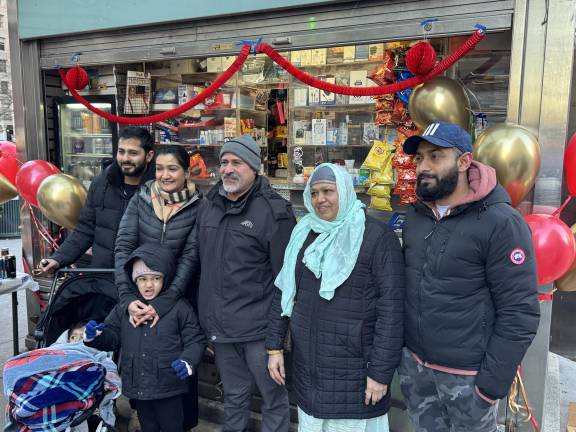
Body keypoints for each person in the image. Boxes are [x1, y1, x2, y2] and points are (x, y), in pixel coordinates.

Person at [399, 121, 540, 432]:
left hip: (467, 380)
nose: (423, 166)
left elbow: (520, 312)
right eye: (419, 158)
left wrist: (489, 386)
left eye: (436, 157)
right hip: (416, 372)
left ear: (464, 162)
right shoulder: (416, 217)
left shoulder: (500, 222)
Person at [267, 163, 404, 432]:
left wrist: (380, 373)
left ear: (344, 191)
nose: (320, 199)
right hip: (310, 372)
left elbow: (392, 310)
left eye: (328, 191)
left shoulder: (377, 238)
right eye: (314, 193)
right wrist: (274, 347)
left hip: (355, 376)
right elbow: (284, 290)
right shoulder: (303, 233)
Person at [196, 135, 295, 432]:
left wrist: (277, 337)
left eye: (236, 162)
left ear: (254, 168)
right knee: (235, 396)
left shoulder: (275, 212)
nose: (227, 169)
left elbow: (286, 279)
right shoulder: (209, 205)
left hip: (259, 331)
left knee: (273, 397)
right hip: (221, 328)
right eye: (224, 162)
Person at [114, 144, 203, 429]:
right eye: (160, 169)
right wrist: (128, 297)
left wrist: (165, 303)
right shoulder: (141, 199)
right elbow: (124, 246)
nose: (165, 175)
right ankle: (144, 416)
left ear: (186, 171)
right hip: (140, 295)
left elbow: (191, 256)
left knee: (180, 373)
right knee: (142, 363)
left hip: (179, 298)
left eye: (173, 169)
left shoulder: (199, 204)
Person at [84, 243, 206, 432]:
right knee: (148, 425)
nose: (149, 284)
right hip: (139, 386)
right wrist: (97, 336)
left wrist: (188, 361)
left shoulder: (179, 308)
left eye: (156, 278)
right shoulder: (125, 309)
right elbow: (114, 336)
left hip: (169, 386)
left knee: (172, 426)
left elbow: (195, 339)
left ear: (166, 278)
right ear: (134, 280)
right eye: (142, 279)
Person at [39, 127, 155, 273]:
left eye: (133, 153)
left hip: (143, 281)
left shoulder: (158, 188)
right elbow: (85, 229)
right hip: (103, 275)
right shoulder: (102, 183)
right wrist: (58, 258)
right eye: (121, 151)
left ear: (149, 156)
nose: (125, 158)